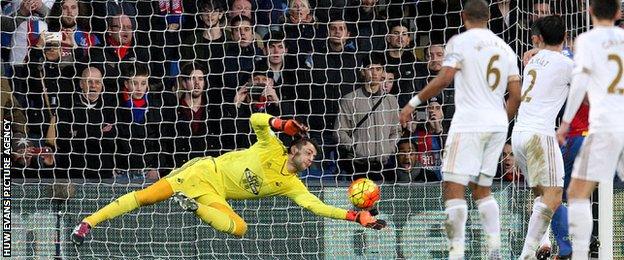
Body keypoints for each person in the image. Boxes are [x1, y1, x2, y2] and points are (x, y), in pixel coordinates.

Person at [71, 113, 387, 245]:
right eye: (308, 153)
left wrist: (354, 215)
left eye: (314, 157)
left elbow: (316, 208)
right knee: (146, 197)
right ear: (294, 150)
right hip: (204, 171)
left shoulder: (293, 184)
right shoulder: (271, 148)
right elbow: (255, 121)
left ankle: (193, 206)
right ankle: (88, 222)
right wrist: (280, 123)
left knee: (239, 228)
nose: (311, 158)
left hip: (214, 194)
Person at [399, 0, 522, 258]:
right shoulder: (505, 49)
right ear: (489, 17)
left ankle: (456, 253)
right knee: (482, 189)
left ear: (463, 15)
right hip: (497, 125)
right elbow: (516, 95)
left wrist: (413, 102)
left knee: (453, 186)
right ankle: (495, 250)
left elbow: (444, 78)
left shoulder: (460, 41)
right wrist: (502, 120)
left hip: (469, 123)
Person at [555, 0, 624, 258]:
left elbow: (580, 81)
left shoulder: (587, 40)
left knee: (576, 193)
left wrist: (565, 123)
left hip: (605, 127)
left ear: (589, 10)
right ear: (619, 13)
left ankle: (582, 255)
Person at [509, 15, 573, 259]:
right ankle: (525, 255)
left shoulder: (532, 61)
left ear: (538, 38)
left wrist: (534, 49)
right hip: (540, 135)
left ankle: (544, 244)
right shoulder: (566, 64)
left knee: (541, 194)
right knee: (554, 196)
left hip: (520, 135)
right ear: (565, 37)